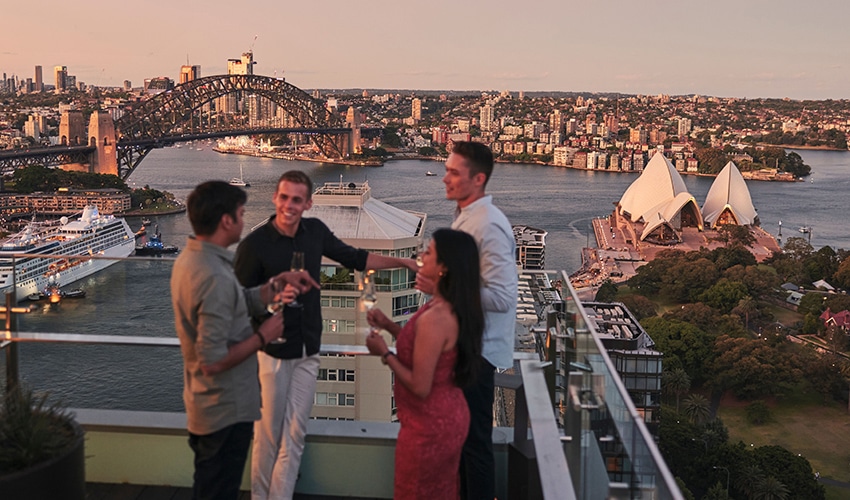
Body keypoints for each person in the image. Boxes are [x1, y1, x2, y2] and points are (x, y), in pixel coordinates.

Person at [233, 170, 418, 500]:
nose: (289, 205)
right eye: (284, 197)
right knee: (268, 437)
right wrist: (271, 300)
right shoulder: (254, 245)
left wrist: (404, 261)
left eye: (297, 199)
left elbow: (356, 258)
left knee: (294, 436)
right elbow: (236, 303)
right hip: (272, 354)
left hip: (307, 351)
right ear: (276, 198)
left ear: (308, 203)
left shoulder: (314, 232)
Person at [170, 181, 318, 500]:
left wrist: (273, 285)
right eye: (240, 213)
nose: (243, 218)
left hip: (208, 404)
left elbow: (233, 303)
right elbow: (212, 360)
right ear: (226, 221)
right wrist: (263, 335)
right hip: (224, 408)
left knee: (210, 486)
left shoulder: (194, 261)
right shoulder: (213, 276)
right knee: (218, 490)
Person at [365, 228, 484, 499]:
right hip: (444, 417)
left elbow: (420, 385)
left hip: (429, 425)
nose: (421, 256)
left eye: (428, 252)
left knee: (416, 492)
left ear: (443, 267)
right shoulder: (446, 306)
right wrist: (388, 325)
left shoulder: (435, 317)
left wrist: (385, 354)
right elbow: (426, 349)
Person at [443, 141, 518, 499]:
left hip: (479, 353)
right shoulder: (467, 218)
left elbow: (503, 298)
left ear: (478, 179)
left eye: (454, 173)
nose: (445, 178)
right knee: (460, 442)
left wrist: (447, 289)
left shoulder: (488, 226)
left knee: (474, 447)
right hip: (465, 348)